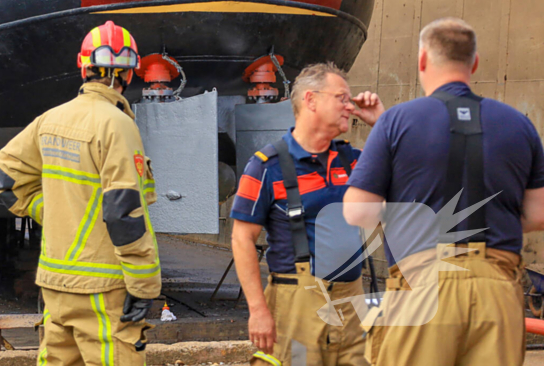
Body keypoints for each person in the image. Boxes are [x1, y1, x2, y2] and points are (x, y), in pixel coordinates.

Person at [343, 18, 544, 366]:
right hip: (496, 287)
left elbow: (358, 212)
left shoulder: (396, 122)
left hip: (422, 284)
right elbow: (538, 214)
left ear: (422, 60)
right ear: (475, 63)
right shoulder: (519, 125)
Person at [0, 21, 161, 366]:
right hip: (103, 287)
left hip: (56, 283)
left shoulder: (50, 120)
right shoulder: (118, 125)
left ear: (83, 67)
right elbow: (123, 214)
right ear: (128, 74)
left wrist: (49, 211)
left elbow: (4, 179)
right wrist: (144, 287)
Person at [230, 62, 383, 366]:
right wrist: (258, 310)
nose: (349, 106)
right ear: (311, 100)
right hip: (294, 306)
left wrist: (381, 123)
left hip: (351, 303)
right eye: (341, 97)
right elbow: (241, 239)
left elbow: (412, 170)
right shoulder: (265, 167)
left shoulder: (355, 162)